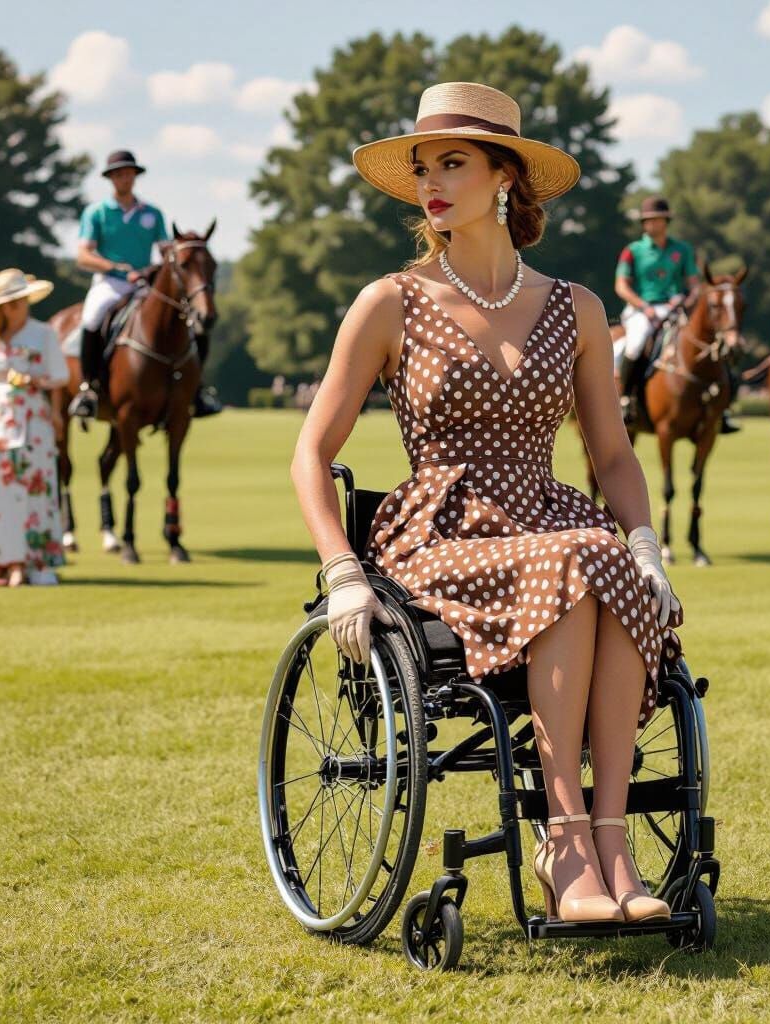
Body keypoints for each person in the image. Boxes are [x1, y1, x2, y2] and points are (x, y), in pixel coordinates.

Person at [291, 82, 684, 925]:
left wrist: (646, 544)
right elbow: (310, 454)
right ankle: (566, 841)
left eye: (454, 163)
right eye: (424, 167)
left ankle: (611, 844)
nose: (432, 182)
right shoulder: (390, 302)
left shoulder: (576, 308)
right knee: (579, 558)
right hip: (438, 533)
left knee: (601, 557)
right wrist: (341, 572)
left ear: (507, 177)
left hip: (549, 519)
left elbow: (610, 455)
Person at [68, 149, 221, 422]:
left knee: (192, 323)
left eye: (128, 173)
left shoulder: (152, 213)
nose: (124, 178)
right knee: (92, 319)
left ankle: (197, 390)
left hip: (143, 283)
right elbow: (83, 255)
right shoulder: (97, 213)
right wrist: (116, 268)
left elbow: (166, 252)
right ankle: (88, 389)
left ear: (134, 176)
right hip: (109, 284)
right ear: (111, 178)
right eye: (118, 174)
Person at [614, 197, 741, 433]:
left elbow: (694, 285)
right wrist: (643, 306)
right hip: (642, 310)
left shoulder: (681, 250)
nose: (653, 225)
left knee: (709, 344)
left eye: (658, 220)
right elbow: (621, 286)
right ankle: (626, 400)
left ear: (666, 221)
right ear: (644, 223)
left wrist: (685, 298)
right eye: (649, 221)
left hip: (674, 308)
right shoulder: (633, 251)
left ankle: (723, 409)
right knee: (635, 343)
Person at [0, 269, 68, 587]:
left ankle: (30, 561)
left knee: (32, 487)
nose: (17, 307)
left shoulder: (43, 333)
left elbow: (58, 377)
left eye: (20, 301)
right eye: (11, 302)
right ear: (1, 307)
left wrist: (52, 407)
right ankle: (0, 562)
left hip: (32, 416)